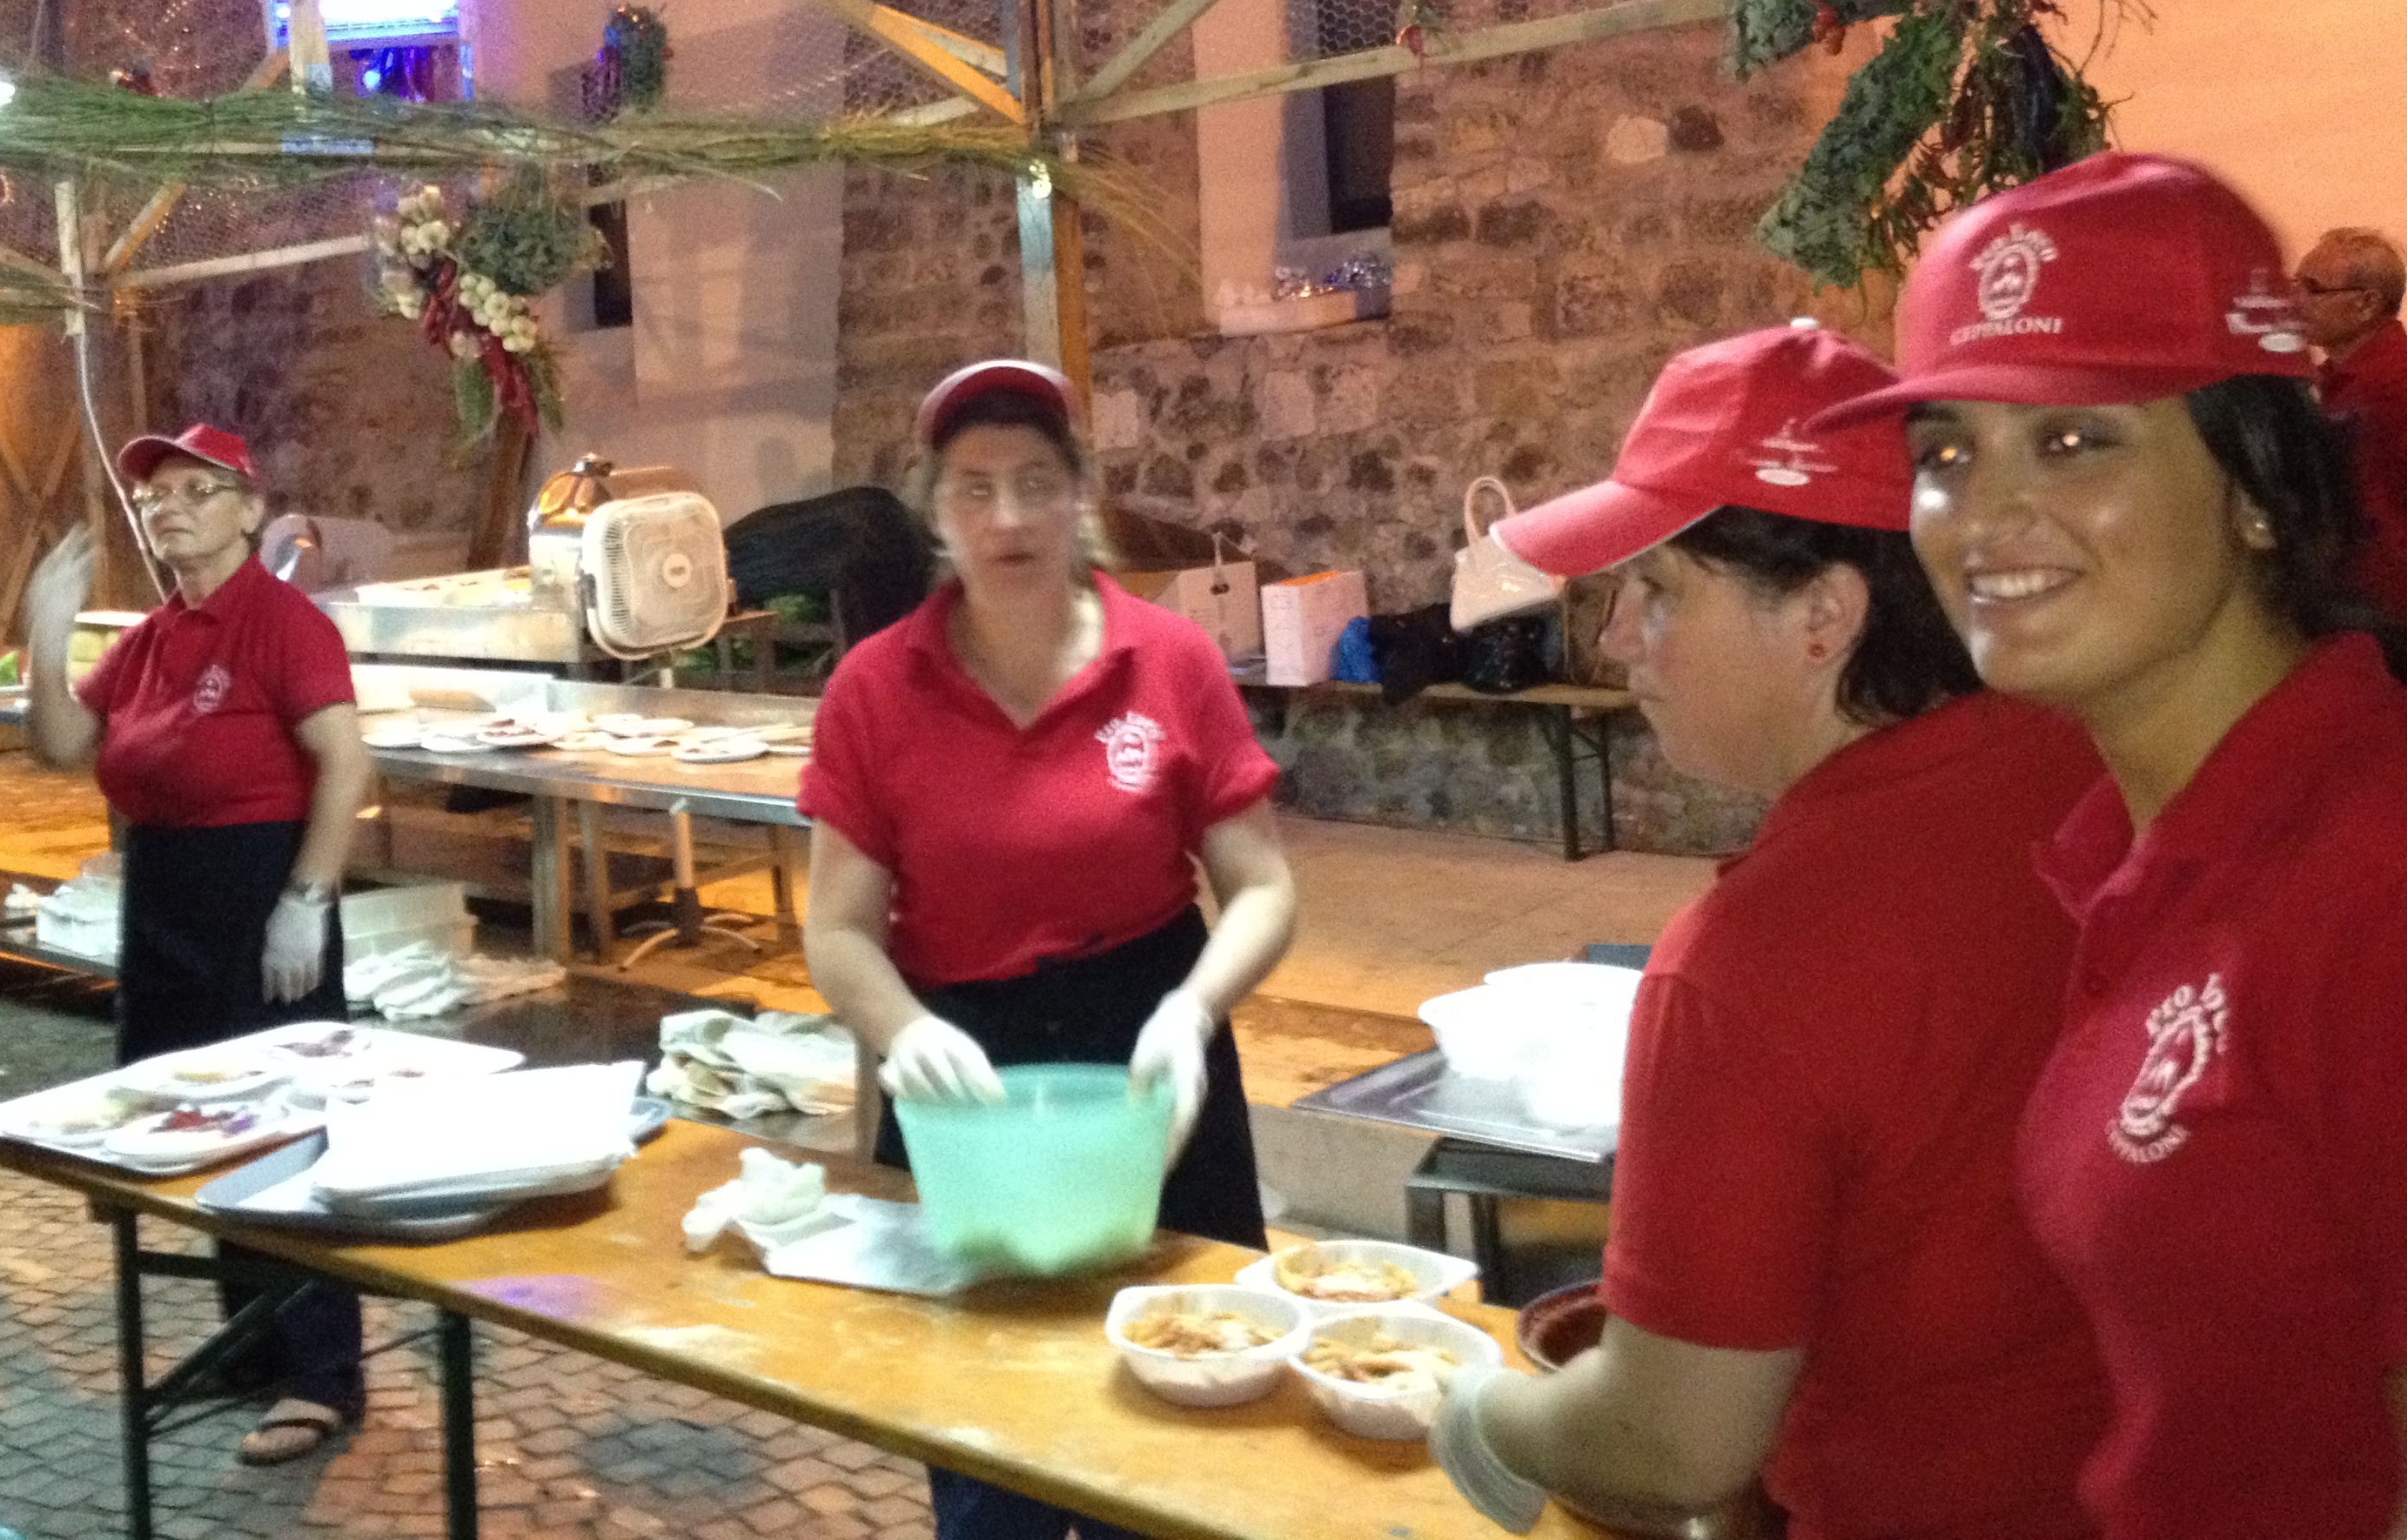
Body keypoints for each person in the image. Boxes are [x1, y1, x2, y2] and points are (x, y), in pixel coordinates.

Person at [1431, 324, 2112, 1540]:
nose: (1615, 639)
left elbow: (1671, 1442)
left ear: (1825, 616)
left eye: (1660, 591)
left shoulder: (1752, 959)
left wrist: (1483, 1416)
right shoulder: (2090, 766)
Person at [1816, 151, 2407, 1539]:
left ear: (2258, 486)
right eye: (1946, 452)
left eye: (2074, 441)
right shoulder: (2138, 848)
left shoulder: (2372, 883)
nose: (1982, 516)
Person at [799, 358, 1296, 1540]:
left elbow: (1264, 888)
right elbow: (838, 930)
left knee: (1176, 1431)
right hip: (968, 1077)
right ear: (935, 511)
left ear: (1080, 494)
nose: (1008, 518)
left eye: (1035, 482)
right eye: (973, 489)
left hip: (1150, 1054)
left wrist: (1194, 1009)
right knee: (991, 1439)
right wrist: (901, 1030)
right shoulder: (875, 689)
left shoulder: (1168, 660)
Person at [23, 423, 376, 1468]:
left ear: (250, 509)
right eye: (154, 498)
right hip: (165, 896)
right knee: (204, 1125)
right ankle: (254, 1342)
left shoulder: (284, 622)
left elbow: (346, 764)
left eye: (194, 490)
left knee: (288, 1130)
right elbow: (61, 745)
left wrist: (306, 899)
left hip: (259, 890)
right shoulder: (148, 638)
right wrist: (47, 635)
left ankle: (323, 1372)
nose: (167, 509)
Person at [2293, 224, 2407, 613]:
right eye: (2295, 284)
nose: (2295, 300)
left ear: (2366, 304)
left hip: (2386, 608)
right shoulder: (2334, 380)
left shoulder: (2394, 385)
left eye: (2313, 289)